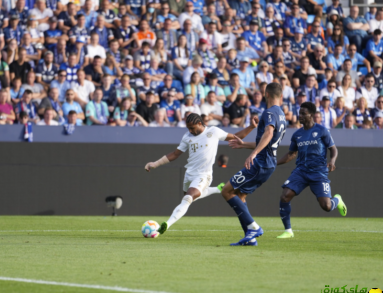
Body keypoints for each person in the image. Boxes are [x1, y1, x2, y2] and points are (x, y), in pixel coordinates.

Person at [144, 113, 248, 235]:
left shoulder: (213, 131)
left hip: (204, 175)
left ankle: (167, 224)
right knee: (189, 198)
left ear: (200, 123)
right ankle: (217, 189)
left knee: (188, 198)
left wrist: (251, 126)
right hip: (189, 174)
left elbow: (236, 137)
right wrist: (155, 163)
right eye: (188, 128)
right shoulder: (187, 136)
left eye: (192, 128)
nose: (190, 130)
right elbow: (175, 154)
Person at [221, 83, 286, 246]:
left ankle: (254, 228)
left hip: (261, 163)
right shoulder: (282, 114)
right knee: (240, 195)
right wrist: (244, 145)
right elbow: (267, 141)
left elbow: (269, 134)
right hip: (268, 163)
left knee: (226, 191)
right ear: (281, 96)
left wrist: (254, 153)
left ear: (266, 95)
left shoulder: (270, 112)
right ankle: (249, 238)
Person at [274, 101, 347, 239]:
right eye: (299, 113)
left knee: (326, 206)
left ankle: (336, 200)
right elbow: (291, 154)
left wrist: (332, 160)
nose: (300, 116)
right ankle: (288, 231)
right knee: (285, 196)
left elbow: (333, 149)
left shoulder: (322, 130)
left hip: (318, 171)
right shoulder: (297, 135)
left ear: (311, 115)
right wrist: (275, 163)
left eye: (303, 113)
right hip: (301, 171)